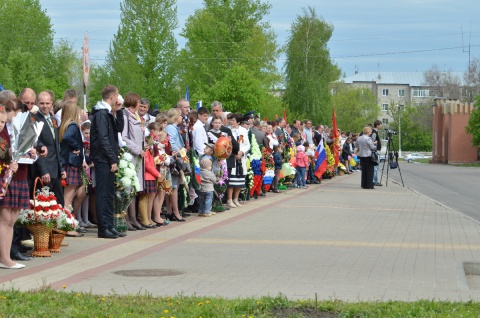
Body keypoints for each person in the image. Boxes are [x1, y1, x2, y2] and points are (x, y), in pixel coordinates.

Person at [90, 85, 125, 239]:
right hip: (103, 159)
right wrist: (112, 159)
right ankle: (103, 227)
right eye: (117, 97)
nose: (118, 99)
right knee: (103, 194)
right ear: (111, 97)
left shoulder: (109, 112)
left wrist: (120, 109)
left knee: (109, 194)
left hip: (108, 158)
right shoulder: (101, 114)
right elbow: (103, 139)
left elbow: (119, 128)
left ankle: (110, 225)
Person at [31, 91, 65, 206]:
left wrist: (62, 168)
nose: (45, 106)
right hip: (44, 170)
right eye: (41, 103)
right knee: (44, 205)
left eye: (47, 103)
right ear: (37, 103)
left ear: (51, 103)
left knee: (59, 203)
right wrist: (43, 170)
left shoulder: (54, 119)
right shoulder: (34, 119)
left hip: (56, 169)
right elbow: (36, 144)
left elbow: (56, 145)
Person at [59, 101, 88, 236]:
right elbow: (67, 137)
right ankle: (66, 227)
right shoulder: (72, 125)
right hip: (71, 164)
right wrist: (76, 146)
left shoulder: (64, 125)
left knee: (68, 197)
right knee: (68, 199)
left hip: (68, 163)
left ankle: (66, 225)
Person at [0, 107, 24, 269]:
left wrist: (11, 165)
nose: (0, 125)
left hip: (4, 180)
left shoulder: (3, 141)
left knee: (9, 220)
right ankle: (4, 258)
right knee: (4, 219)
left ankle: (6, 257)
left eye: (2, 121)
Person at [121, 92, 146, 231]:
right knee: (129, 187)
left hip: (138, 156)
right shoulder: (126, 116)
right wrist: (137, 149)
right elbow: (124, 137)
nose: (140, 104)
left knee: (135, 188)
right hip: (131, 156)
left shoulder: (136, 116)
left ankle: (133, 217)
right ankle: (126, 218)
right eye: (138, 102)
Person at [164, 108, 186, 222]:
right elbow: (171, 143)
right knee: (174, 187)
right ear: (176, 117)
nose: (182, 117)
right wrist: (181, 152)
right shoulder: (171, 128)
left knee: (172, 187)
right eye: (180, 115)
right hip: (174, 160)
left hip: (174, 159)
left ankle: (170, 211)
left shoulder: (173, 127)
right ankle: (175, 212)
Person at [226, 113, 250, 208]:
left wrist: (241, 152)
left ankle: (236, 198)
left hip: (241, 157)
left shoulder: (243, 131)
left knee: (239, 179)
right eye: (230, 120)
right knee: (232, 179)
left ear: (238, 122)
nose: (231, 122)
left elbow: (247, 144)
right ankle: (229, 199)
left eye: (233, 120)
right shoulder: (227, 130)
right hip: (231, 156)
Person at [372, 120, 383, 186]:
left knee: (376, 167)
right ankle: (374, 180)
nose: (381, 126)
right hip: (376, 151)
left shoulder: (376, 132)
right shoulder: (374, 132)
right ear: (377, 125)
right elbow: (372, 141)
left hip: (377, 151)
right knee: (375, 167)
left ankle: (375, 180)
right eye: (380, 125)